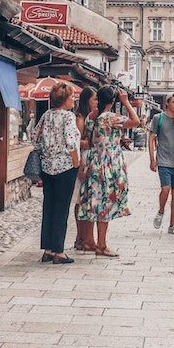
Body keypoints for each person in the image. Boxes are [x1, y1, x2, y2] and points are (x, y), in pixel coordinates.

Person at [77, 84, 140, 257]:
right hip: (109, 163)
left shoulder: (91, 116)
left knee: (93, 202)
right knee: (105, 203)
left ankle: (90, 241)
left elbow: (89, 139)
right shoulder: (110, 117)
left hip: (93, 161)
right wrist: (126, 102)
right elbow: (136, 121)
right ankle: (102, 245)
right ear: (112, 101)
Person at [32, 81, 81, 264]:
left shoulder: (46, 115)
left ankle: (47, 249)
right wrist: (76, 162)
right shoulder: (68, 117)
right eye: (71, 97)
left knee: (49, 207)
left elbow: (33, 137)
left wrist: (45, 152)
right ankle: (59, 252)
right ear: (65, 99)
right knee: (61, 209)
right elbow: (70, 142)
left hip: (47, 167)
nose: (73, 100)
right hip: (65, 167)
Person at [149, 96, 174, 235]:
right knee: (165, 189)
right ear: (167, 103)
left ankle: (172, 225)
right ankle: (161, 211)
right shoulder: (158, 118)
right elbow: (151, 138)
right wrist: (152, 159)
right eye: (173, 102)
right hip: (163, 160)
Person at [71, 86, 97, 251]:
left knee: (84, 200)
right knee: (81, 200)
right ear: (87, 100)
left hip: (89, 160)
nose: (96, 102)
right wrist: (88, 142)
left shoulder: (90, 116)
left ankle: (82, 238)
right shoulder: (80, 118)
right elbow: (77, 141)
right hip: (83, 161)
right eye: (94, 99)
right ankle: (80, 237)